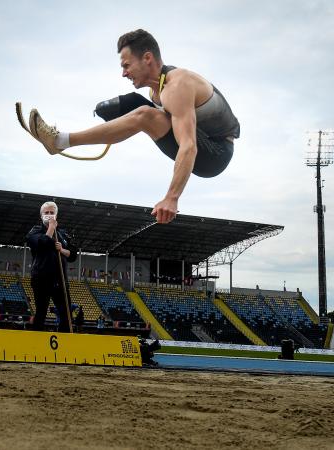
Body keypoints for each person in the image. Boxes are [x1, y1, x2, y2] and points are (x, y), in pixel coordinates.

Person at [19, 29, 239, 224]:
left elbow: (189, 146)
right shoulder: (156, 90)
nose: (124, 73)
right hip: (202, 137)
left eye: (126, 65)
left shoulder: (177, 86)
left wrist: (172, 197)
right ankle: (61, 141)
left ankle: (59, 141)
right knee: (137, 106)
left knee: (145, 115)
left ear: (147, 58)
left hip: (216, 154)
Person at [26, 201, 78, 332]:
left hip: (60, 279)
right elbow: (42, 243)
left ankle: (64, 340)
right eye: (46, 213)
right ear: (41, 215)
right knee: (41, 311)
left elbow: (73, 255)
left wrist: (62, 250)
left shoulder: (63, 234)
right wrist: (51, 228)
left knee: (66, 313)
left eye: (52, 213)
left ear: (56, 215)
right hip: (41, 278)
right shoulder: (34, 231)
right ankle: (37, 340)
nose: (49, 215)